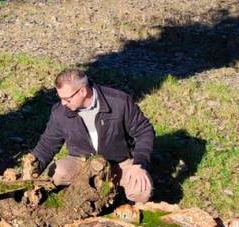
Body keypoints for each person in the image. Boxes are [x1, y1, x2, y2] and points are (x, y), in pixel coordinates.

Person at [27, 68, 155, 203]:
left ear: (82, 91)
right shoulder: (60, 113)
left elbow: (144, 131)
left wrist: (139, 164)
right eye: (60, 98)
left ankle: (118, 200)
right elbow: (46, 146)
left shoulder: (119, 102)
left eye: (67, 98)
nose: (63, 103)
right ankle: (79, 197)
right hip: (82, 163)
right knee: (57, 172)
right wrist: (30, 172)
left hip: (119, 163)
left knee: (142, 190)